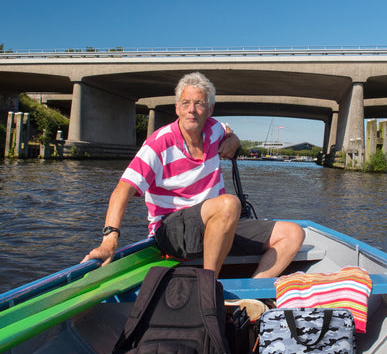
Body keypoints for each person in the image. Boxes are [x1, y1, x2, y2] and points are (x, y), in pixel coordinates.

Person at [82, 72, 305, 278]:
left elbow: (229, 133)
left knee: (293, 234)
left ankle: (250, 291)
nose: (192, 110)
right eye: (186, 103)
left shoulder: (214, 129)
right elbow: (123, 190)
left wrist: (234, 141)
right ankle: (209, 287)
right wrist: (109, 240)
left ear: (210, 109)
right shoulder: (158, 145)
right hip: (171, 230)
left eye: (199, 104)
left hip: (218, 222)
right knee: (229, 204)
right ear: (177, 108)